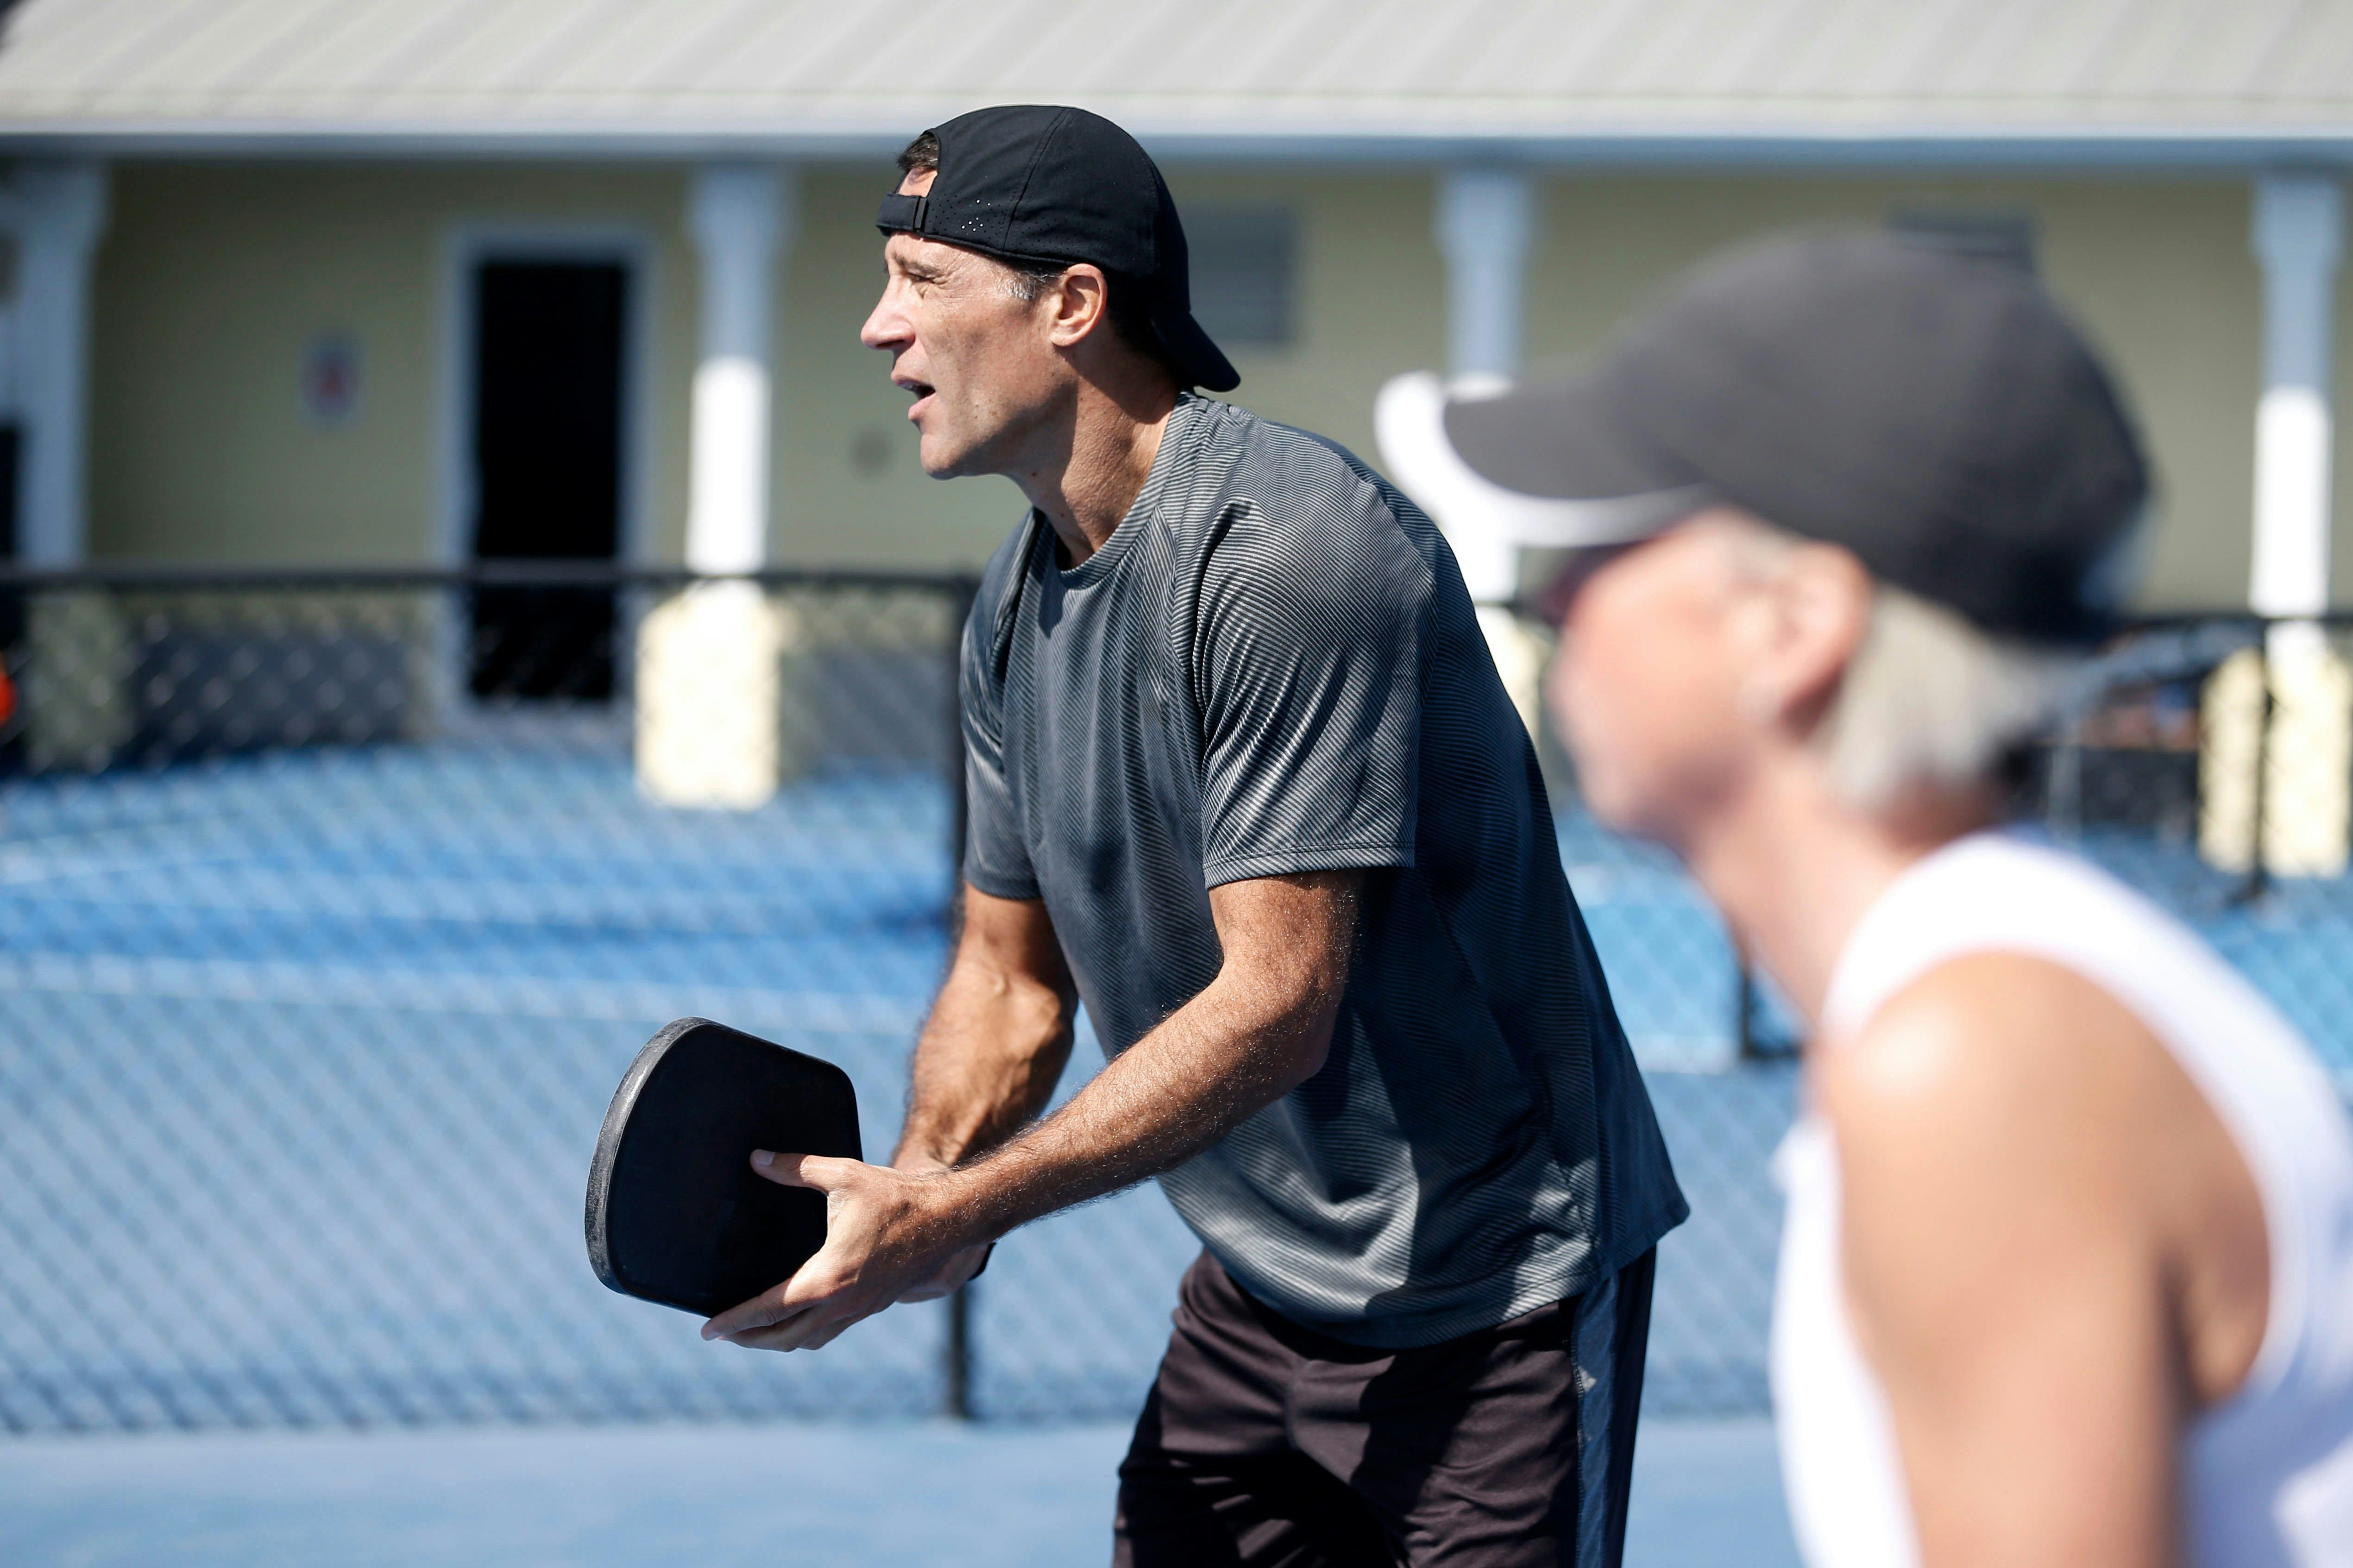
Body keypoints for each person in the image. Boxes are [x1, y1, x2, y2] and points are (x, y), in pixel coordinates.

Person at [699, 104, 1687, 1566]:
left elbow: (1278, 1005)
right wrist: (922, 1192)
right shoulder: (1014, 611)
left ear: (1073, 305)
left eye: (922, 280)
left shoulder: (1292, 557)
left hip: (1494, 1297)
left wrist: (969, 1201)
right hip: (1255, 1292)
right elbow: (1009, 980)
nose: (876, 327)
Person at [1378, 232, 2353, 1567]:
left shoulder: (1980, 1056)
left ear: (1794, 626)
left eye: (1610, 537)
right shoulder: (1991, 991)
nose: (1554, 598)